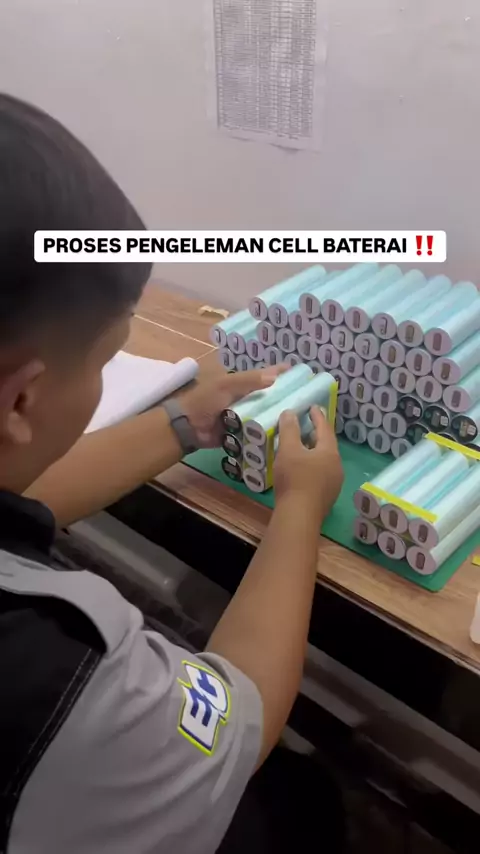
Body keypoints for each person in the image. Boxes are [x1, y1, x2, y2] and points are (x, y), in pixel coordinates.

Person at [0, 92, 343, 854]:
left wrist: (183, 422)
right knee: (297, 802)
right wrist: (299, 505)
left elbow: (25, 494)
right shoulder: (60, 671)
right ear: (22, 398)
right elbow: (242, 716)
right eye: (102, 360)